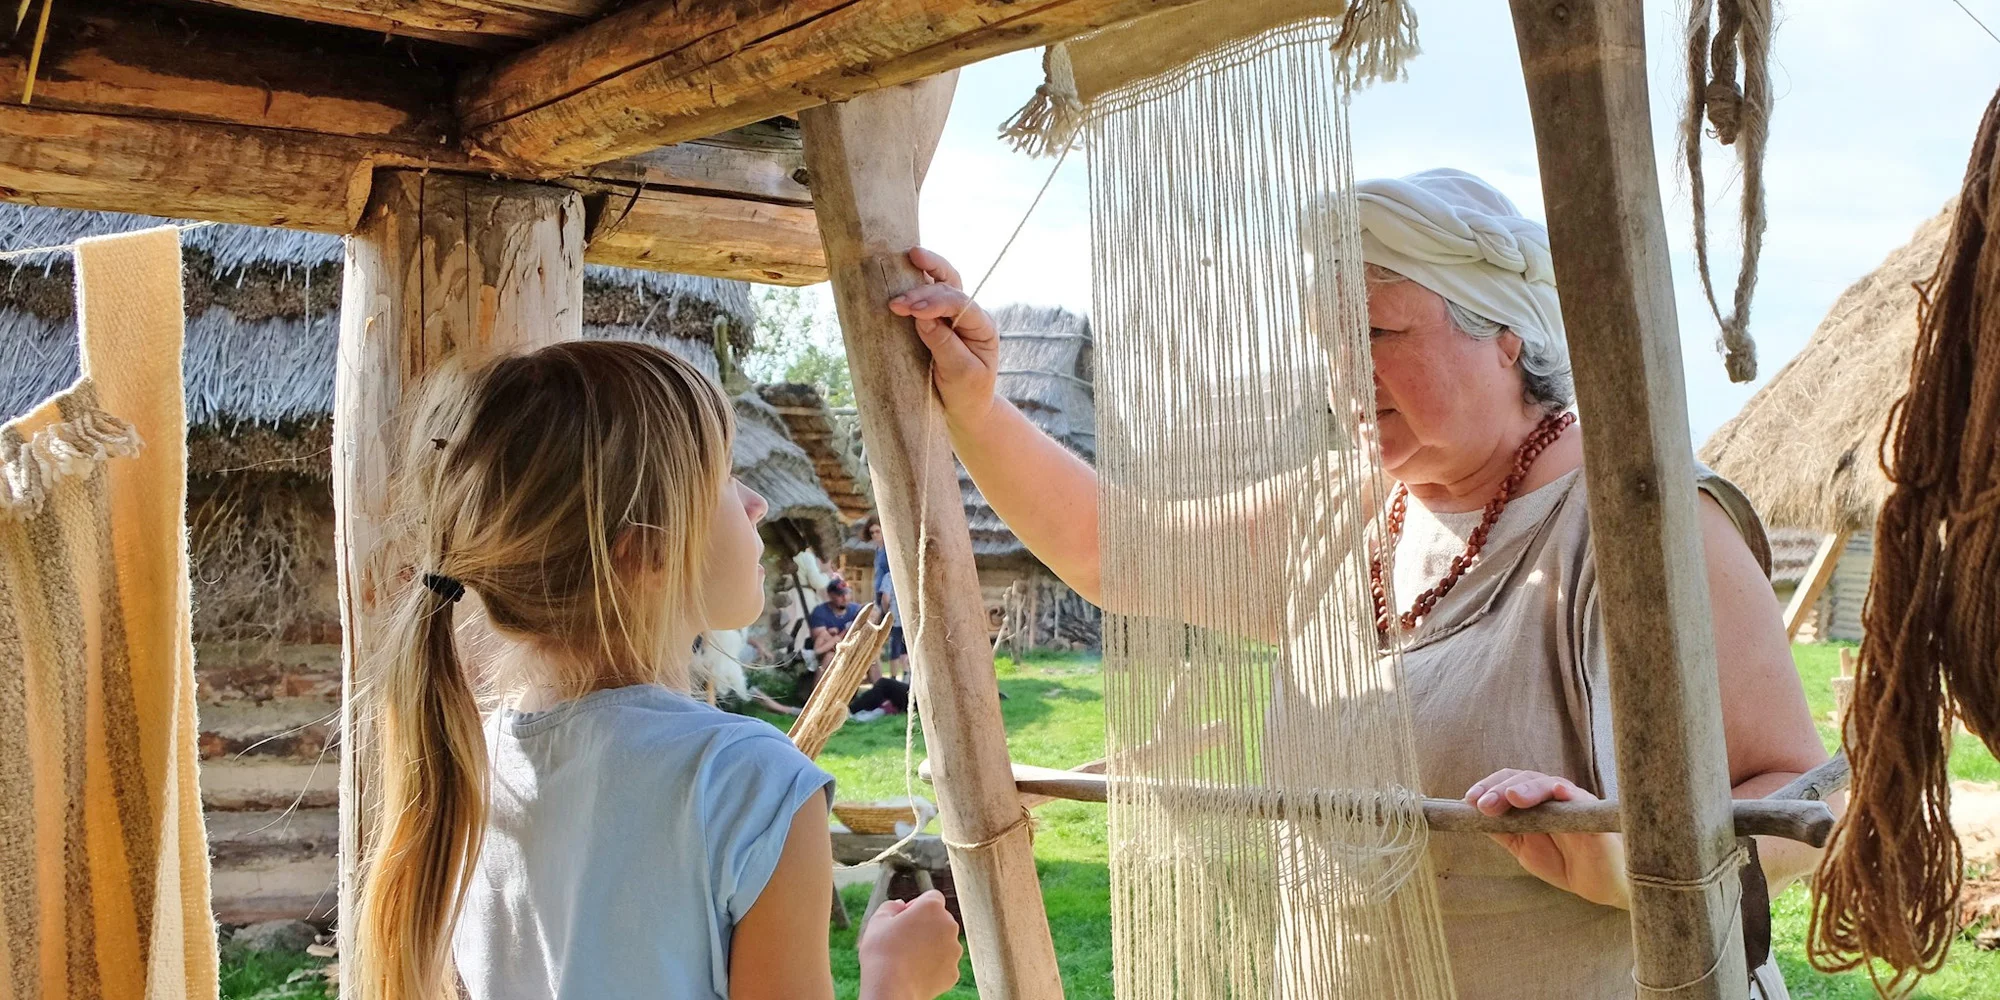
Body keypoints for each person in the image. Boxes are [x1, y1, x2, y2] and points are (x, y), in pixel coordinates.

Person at [885, 169, 1833, 1000]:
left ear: (1504, 335)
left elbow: (1799, 797)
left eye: (1375, 329)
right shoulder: (1345, 513)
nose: (1342, 370)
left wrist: (1627, 861)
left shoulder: (1641, 524)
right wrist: (976, 400)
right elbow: (1112, 551)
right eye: (1325, 337)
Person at [351, 341, 961, 1000]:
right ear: (646, 549)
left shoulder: (473, 762)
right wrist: (895, 983)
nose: (757, 503)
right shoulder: (747, 780)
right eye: (726, 474)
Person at [868, 519, 910, 679]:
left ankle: (899, 674)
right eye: (872, 532)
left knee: (893, 639)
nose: (875, 535)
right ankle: (882, 676)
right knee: (879, 637)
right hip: (880, 593)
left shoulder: (888, 551)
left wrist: (887, 610)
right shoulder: (877, 550)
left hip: (889, 594)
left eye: (877, 531)